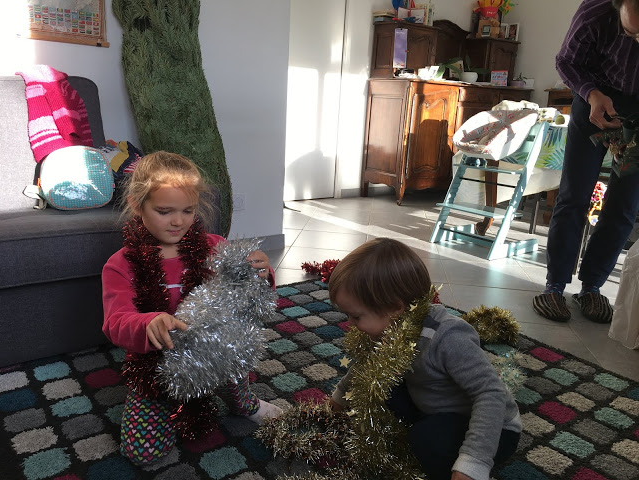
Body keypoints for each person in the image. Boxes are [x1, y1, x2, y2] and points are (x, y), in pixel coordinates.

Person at [102, 151, 282, 465]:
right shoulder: (121, 265)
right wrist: (148, 324)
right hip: (158, 367)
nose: (178, 221)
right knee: (142, 453)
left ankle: (243, 401)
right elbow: (116, 322)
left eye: (188, 210)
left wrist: (260, 275)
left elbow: (247, 299)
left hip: (216, 349)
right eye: (164, 211)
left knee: (236, 346)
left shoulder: (214, 247)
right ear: (136, 205)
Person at [328, 238, 521, 480]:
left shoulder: (448, 337)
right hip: (431, 407)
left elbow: (491, 394)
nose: (350, 324)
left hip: (492, 428)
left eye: (356, 316)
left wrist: (473, 462)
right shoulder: (392, 328)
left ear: (395, 308)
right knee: (380, 389)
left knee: (427, 440)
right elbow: (367, 366)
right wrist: (339, 399)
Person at [533, 0, 639, 323]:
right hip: (593, 97)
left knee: (625, 206)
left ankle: (591, 286)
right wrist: (591, 94)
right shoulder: (595, 11)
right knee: (574, 195)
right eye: (631, 33)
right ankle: (554, 285)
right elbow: (566, 61)